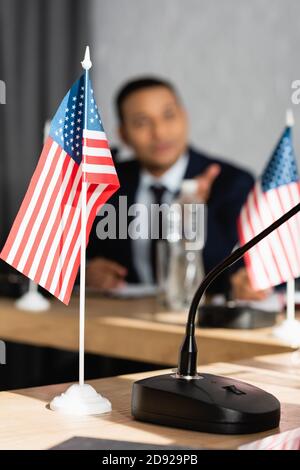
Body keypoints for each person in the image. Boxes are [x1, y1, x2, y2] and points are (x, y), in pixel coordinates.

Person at [86, 77, 270, 300]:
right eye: (142, 122)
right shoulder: (104, 182)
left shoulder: (231, 182)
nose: (160, 132)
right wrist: (84, 273)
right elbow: (64, 255)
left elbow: (232, 272)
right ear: (124, 135)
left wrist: (194, 214)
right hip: (123, 317)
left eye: (169, 115)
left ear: (184, 117)